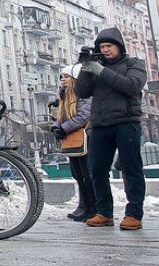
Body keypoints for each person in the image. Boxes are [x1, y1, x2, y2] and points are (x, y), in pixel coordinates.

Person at [77, 28, 147, 230]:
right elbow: (82, 91)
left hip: (126, 122)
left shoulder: (134, 64)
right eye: (102, 47)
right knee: (97, 170)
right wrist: (86, 67)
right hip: (100, 124)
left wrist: (100, 70)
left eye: (109, 46)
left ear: (119, 46)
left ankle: (134, 214)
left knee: (131, 169)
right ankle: (104, 212)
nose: (105, 50)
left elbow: (132, 86)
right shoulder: (97, 67)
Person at [50, 64, 96, 222]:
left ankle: (92, 207)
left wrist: (63, 128)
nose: (63, 80)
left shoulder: (83, 94)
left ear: (75, 78)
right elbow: (61, 115)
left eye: (66, 77)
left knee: (86, 174)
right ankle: (83, 206)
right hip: (72, 138)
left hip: (84, 138)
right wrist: (57, 127)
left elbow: (84, 115)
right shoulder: (65, 95)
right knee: (77, 174)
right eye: (62, 77)